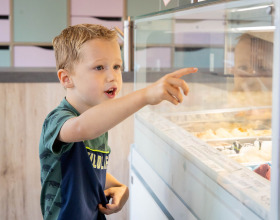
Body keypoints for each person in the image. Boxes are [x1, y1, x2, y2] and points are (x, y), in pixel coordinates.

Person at [39, 23, 198, 220]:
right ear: (66, 78)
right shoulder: (57, 121)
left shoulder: (99, 120)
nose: (112, 76)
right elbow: (83, 127)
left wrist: (118, 187)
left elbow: (88, 171)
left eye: (116, 66)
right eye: (99, 67)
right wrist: (145, 95)